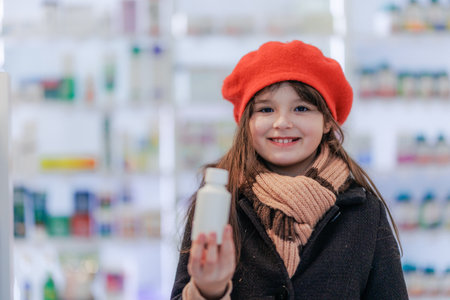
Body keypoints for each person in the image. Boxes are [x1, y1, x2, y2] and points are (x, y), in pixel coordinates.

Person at [171, 40, 408, 299]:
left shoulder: (364, 213)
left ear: (328, 121)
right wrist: (207, 291)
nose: (282, 122)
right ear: (247, 121)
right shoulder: (219, 204)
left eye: (301, 108)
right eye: (266, 109)